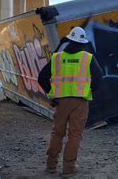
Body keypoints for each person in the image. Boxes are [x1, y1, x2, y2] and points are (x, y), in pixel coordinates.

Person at [38, 27, 103, 177]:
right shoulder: (88, 58)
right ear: (82, 43)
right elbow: (99, 79)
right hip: (80, 102)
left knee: (57, 132)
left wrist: (52, 95)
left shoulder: (57, 58)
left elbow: (42, 77)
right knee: (75, 135)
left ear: (69, 40)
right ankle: (68, 168)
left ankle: (51, 165)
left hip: (61, 102)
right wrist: (88, 91)